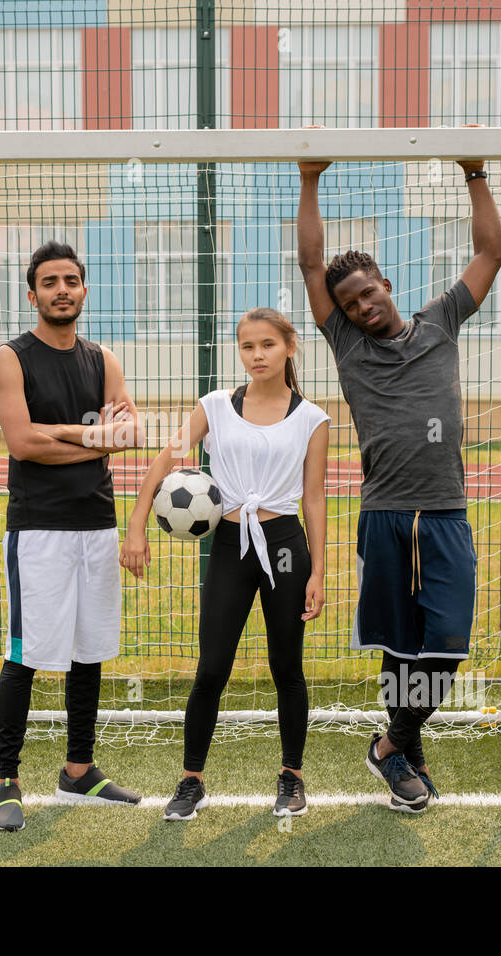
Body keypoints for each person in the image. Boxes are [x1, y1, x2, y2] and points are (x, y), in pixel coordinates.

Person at [296, 152, 501, 811]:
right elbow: (310, 264)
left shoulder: (442, 320)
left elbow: (492, 253)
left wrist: (474, 171)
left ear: (387, 283)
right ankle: (407, 750)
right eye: (351, 302)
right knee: (400, 647)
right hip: (386, 515)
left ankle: (389, 744)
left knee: (444, 642)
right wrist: (310, 178)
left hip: (445, 514)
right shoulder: (347, 344)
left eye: (369, 292)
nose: (362, 306)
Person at [121, 308, 330, 820]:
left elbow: (316, 497)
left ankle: (292, 777)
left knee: (287, 666)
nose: (256, 355)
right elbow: (167, 459)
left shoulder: (312, 418)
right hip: (230, 543)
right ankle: (191, 781)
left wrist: (319, 571)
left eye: (267, 345)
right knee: (212, 667)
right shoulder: (214, 406)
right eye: (246, 346)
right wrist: (136, 521)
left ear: (289, 348)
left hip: (283, 545)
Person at [0, 241, 145, 831]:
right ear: (33, 294)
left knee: (88, 650)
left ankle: (79, 771)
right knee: (24, 655)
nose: (61, 290)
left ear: (84, 289)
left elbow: (128, 436)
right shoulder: (11, 357)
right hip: (39, 531)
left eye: (71, 280)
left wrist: (75, 437)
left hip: (96, 527)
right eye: (49, 282)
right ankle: (7, 781)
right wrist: (89, 437)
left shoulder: (103, 359)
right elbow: (21, 444)